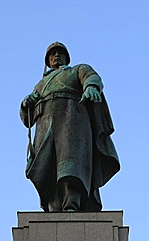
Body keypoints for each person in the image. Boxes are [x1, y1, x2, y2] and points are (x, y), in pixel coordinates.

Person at [20, 42, 120, 212]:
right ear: (48, 61)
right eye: (52, 54)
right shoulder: (40, 84)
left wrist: (90, 87)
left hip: (72, 120)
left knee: (70, 166)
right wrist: (25, 105)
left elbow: (92, 77)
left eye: (59, 53)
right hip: (46, 125)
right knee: (48, 168)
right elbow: (27, 119)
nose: (56, 56)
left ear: (66, 57)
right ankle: (54, 207)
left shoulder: (76, 70)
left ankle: (71, 204)